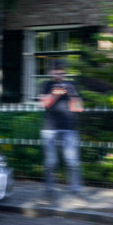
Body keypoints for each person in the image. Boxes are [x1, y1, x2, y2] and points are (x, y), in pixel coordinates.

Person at [38, 60, 84, 200]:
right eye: (56, 71)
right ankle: (49, 191)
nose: (59, 73)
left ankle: (76, 191)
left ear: (64, 72)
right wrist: (56, 93)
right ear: (51, 72)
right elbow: (44, 104)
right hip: (50, 129)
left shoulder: (71, 86)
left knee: (72, 161)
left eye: (61, 71)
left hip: (69, 128)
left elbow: (79, 108)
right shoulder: (46, 85)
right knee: (50, 162)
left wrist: (71, 92)